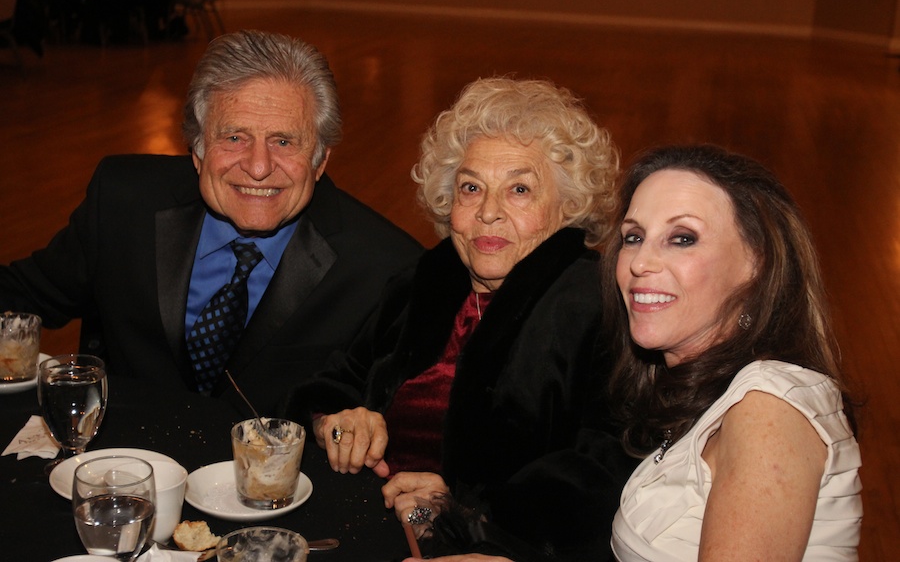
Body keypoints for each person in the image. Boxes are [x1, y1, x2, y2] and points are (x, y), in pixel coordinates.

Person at [284, 77, 636, 561]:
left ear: (569, 206)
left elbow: (609, 467)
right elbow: (334, 384)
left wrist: (464, 509)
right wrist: (336, 424)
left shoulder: (594, 305)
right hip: (360, 522)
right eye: (471, 188)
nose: (489, 212)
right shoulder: (427, 280)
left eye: (519, 189)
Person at [0, 30, 423, 415]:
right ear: (198, 150)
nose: (258, 167)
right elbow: (23, 297)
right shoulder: (122, 202)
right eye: (234, 137)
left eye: (283, 141)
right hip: (125, 469)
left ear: (320, 160)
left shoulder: (383, 268)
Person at [605, 145, 862, 560]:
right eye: (633, 237)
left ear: (755, 263)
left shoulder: (769, 407)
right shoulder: (716, 394)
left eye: (682, 238)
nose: (640, 262)